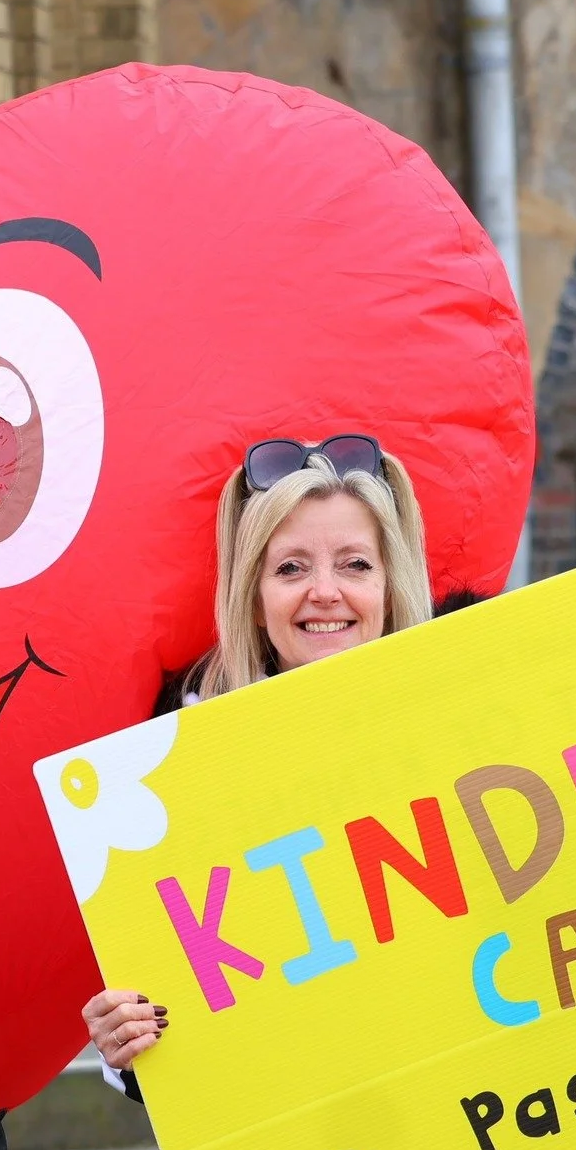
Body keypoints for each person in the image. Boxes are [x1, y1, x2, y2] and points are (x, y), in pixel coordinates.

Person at [82, 435, 434, 1089]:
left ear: (391, 583)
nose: (324, 592)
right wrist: (127, 1042)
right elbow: (177, 997)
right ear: (254, 596)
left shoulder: (473, 714)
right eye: (292, 569)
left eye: (355, 564)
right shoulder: (172, 767)